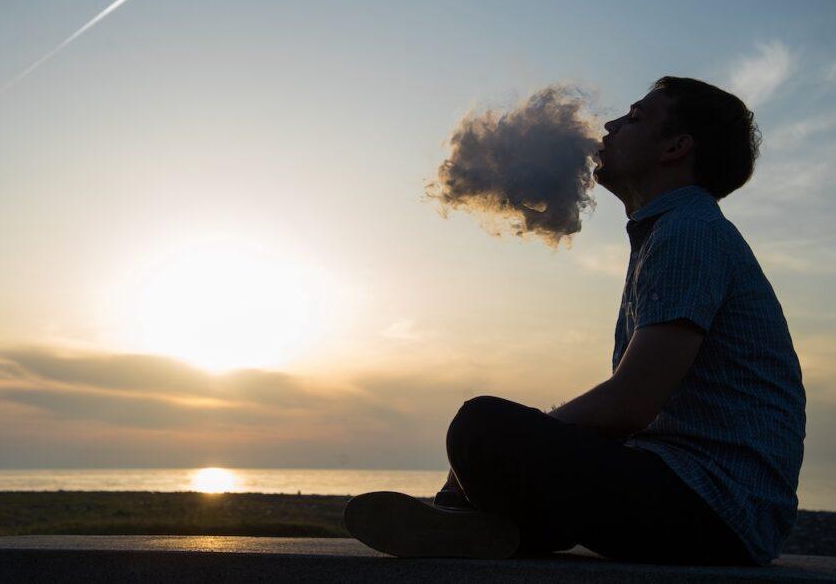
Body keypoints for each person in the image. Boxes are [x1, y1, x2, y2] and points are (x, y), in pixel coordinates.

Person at [344, 77, 807, 566]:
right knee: (503, 440)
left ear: (676, 146)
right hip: (704, 499)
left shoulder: (688, 232)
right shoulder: (675, 231)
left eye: (634, 117)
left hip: (714, 508)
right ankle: (486, 527)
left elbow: (629, 404)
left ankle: (476, 516)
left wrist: (513, 445)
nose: (608, 126)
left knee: (479, 425)